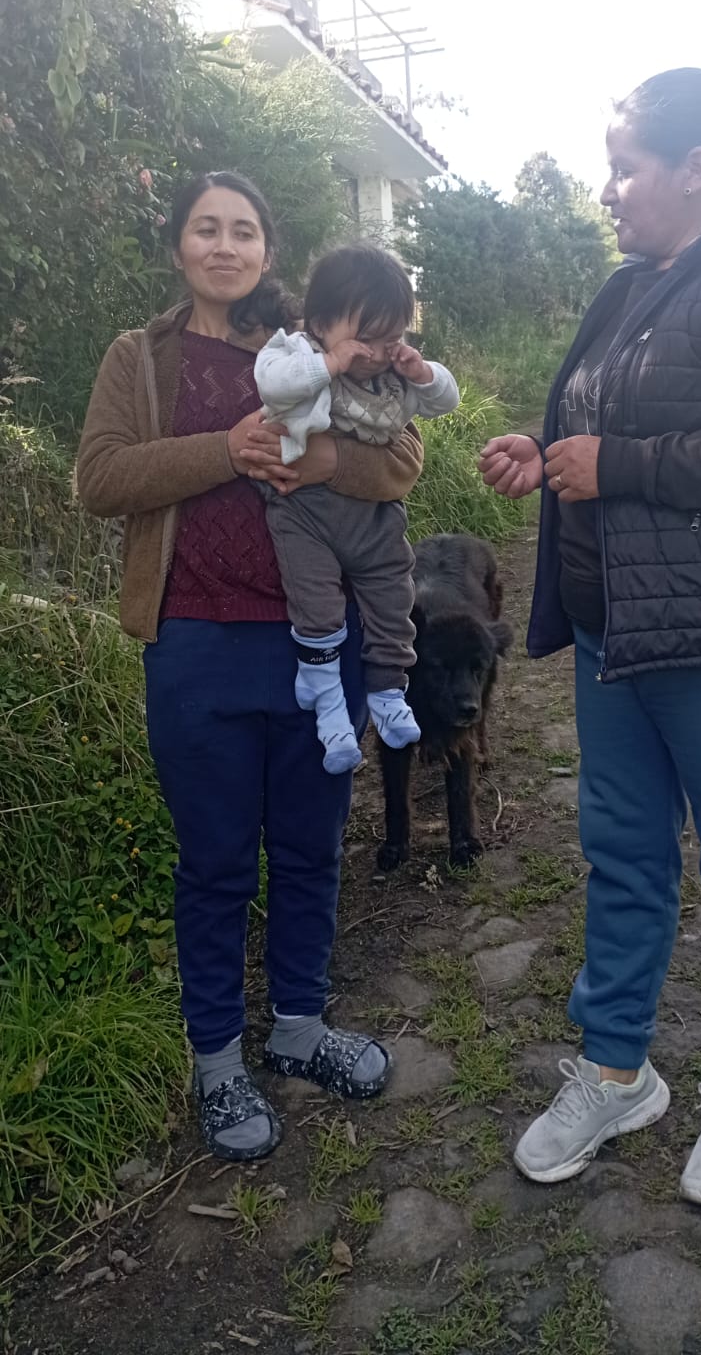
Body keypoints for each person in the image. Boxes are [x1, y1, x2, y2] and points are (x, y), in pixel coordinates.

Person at [480, 68, 701, 1207]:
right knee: (624, 856)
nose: (607, 189)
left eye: (623, 166)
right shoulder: (629, 286)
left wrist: (619, 464)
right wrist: (547, 453)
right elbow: (610, 426)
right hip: (615, 632)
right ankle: (615, 1070)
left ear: (695, 169)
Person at [77, 171, 424, 1162]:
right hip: (194, 642)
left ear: (268, 249)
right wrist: (225, 449)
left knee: (312, 846)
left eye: (243, 230)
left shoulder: (318, 341)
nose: (224, 246)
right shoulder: (140, 358)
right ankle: (219, 1058)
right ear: (178, 245)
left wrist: (321, 463)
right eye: (206, 229)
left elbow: (402, 460)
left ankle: (301, 1027)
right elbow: (100, 476)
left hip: (319, 641)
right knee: (217, 861)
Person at [254, 245, 459, 775]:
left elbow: (445, 401)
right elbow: (274, 385)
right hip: (304, 512)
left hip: (373, 515)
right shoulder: (293, 352)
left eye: (394, 336)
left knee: (395, 596)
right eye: (366, 337)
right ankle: (326, 701)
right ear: (320, 324)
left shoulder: (393, 376)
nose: (378, 351)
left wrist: (422, 371)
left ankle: (389, 690)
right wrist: (331, 363)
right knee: (316, 603)